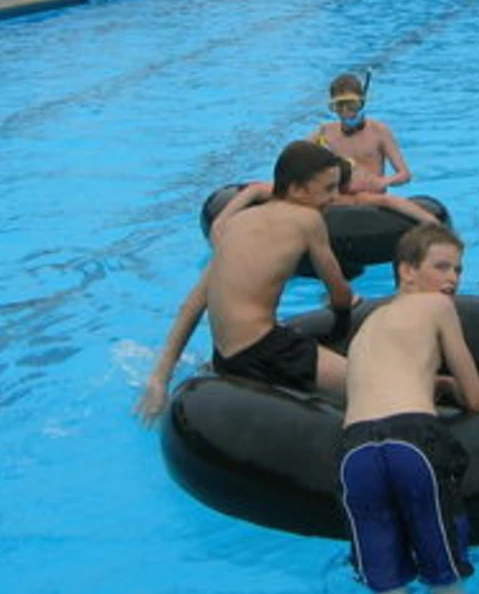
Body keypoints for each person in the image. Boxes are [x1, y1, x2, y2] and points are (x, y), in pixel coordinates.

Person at [134, 141, 358, 422]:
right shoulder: (308, 218)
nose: (335, 197)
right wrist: (343, 317)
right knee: (370, 383)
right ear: (296, 190)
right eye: (328, 188)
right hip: (265, 349)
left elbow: (191, 305)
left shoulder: (238, 223)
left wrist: (159, 378)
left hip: (226, 358)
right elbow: (339, 291)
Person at [337, 225, 479, 594]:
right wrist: (451, 387)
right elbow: (476, 399)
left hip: (354, 450)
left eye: (457, 270)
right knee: (445, 578)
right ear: (407, 271)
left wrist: (429, 382)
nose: (452, 278)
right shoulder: (438, 305)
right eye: (442, 267)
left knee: (386, 584)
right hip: (414, 441)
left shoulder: (367, 326)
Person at [313, 73, 413, 195]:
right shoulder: (325, 132)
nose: (345, 112)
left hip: (374, 201)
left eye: (351, 105)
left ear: (362, 103)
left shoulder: (379, 131)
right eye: (339, 106)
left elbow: (405, 174)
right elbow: (296, 158)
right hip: (342, 200)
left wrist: (382, 182)